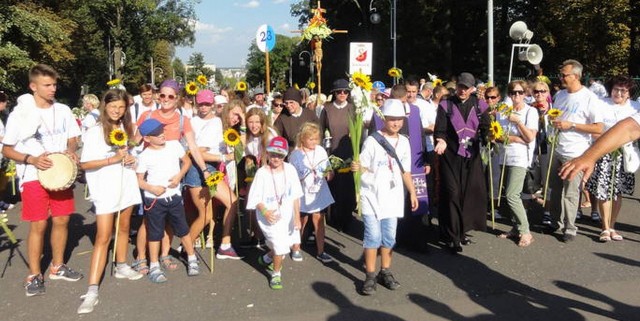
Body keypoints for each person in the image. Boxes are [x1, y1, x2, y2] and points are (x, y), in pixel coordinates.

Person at [2, 64, 83, 296]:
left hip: (61, 175)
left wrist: (70, 150)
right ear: (33, 86)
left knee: (62, 221)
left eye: (54, 84)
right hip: (33, 175)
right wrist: (32, 159)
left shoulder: (64, 110)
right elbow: (7, 150)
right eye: (47, 85)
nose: (52, 89)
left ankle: (57, 267)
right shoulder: (21, 115)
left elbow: (73, 138)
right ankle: (34, 274)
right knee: (38, 224)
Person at [133, 79, 213, 272]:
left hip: (172, 174)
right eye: (162, 95)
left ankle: (164, 254)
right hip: (152, 174)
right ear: (157, 96)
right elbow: (134, 141)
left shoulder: (181, 120)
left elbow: (192, 147)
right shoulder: (147, 114)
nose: (166, 99)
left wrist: (204, 170)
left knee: (169, 219)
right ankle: (142, 256)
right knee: (148, 220)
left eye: (170, 96)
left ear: (177, 99)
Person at [76, 89, 143, 314]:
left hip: (126, 183)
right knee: (103, 237)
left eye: (121, 107)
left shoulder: (125, 128)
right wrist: (112, 159)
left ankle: (121, 265)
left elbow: (128, 154)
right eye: (113, 106)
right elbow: (84, 164)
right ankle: (92, 290)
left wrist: (131, 158)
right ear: (105, 106)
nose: (117, 110)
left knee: (124, 227)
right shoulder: (95, 132)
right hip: (105, 188)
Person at [351, 99, 418, 295]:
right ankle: (370, 275)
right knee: (373, 237)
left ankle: (385, 271)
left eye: (399, 119)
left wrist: (412, 192)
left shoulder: (404, 142)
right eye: (391, 119)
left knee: (389, 238)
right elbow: (363, 166)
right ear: (384, 120)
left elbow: (405, 170)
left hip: (393, 197)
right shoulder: (373, 140)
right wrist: (358, 168)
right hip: (372, 195)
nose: (396, 123)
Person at [136, 118, 200, 283]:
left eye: (162, 131)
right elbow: (139, 180)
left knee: (182, 229)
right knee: (155, 232)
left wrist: (179, 176)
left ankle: (192, 258)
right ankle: (154, 265)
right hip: (155, 200)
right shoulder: (145, 155)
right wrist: (152, 188)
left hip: (174, 196)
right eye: (156, 134)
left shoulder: (174, 145)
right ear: (147, 138)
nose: (162, 135)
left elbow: (186, 161)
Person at [547, 60, 604, 243]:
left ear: (576, 76)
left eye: (565, 75)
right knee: (555, 190)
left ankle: (570, 227)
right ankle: (556, 223)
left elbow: (598, 128)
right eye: (561, 74)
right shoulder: (560, 95)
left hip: (576, 151)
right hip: (557, 147)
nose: (561, 77)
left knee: (571, 192)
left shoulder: (589, 98)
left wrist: (571, 124)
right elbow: (555, 115)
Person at [434, 72, 490, 253]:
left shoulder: (481, 106)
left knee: (467, 195)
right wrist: (440, 140)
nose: (462, 90)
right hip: (450, 157)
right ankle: (452, 237)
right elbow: (439, 130)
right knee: (452, 193)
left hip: (471, 158)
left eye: (466, 88)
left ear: (473, 89)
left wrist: (491, 136)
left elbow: (486, 128)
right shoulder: (446, 105)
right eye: (460, 86)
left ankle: (462, 230)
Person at [584, 76, 639, 242]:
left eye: (623, 91)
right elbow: (595, 128)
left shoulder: (636, 107)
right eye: (616, 89)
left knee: (618, 191)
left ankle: (613, 226)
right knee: (604, 190)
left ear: (629, 93)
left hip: (625, 153)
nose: (619, 93)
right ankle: (605, 227)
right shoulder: (601, 103)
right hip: (604, 152)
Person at [246, 136, 303, 290]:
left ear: (285, 155)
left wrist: (297, 217)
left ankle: (267, 257)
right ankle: (276, 273)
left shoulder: (290, 170)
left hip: (287, 213)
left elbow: (296, 195)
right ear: (268, 154)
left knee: (283, 244)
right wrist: (265, 211)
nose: (276, 158)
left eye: (280, 155)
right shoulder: (262, 173)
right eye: (273, 154)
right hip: (268, 215)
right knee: (280, 245)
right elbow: (255, 197)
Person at [495, 81, 538, 247]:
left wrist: (518, 122)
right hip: (504, 156)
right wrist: (513, 138)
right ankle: (516, 227)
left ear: (526, 94)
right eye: (513, 93)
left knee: (513, 195)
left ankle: (526, 231)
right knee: (508, 193)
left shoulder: (530, 111)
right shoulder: (503, 111)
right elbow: (497, 135)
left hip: (520, 158)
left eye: (520, 92)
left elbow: (530, 138)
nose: (516, 96)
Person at [288, 122, 335, 263]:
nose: (314, 142)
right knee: (301, 221)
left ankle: (321, 251)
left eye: (316, 139)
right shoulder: (296, 155)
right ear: (302, 138)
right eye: (311, 139)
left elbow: (328, 168)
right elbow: (291, 176)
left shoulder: (320, 150)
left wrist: (330, 173)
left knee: (319, 220)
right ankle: (296, 247)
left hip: (318, 191)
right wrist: (300, 178)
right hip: (302, 192)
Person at [319, 79, 355, 233]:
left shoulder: (353, 109)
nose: (342, 94)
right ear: (334, 93)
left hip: (348, 150)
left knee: (347, 187)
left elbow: (358, 131)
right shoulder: (326, 109)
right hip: (331, 151)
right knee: (333, 185)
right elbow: (320, 130)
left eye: (345, 91)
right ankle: (333, 217)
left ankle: (346, 218)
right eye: (339, 91)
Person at [274, 87, 319, 154]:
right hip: (291, 155)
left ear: (298, 102)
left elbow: (319, 134)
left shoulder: (310, 115)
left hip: (310, 153)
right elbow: (276, 138)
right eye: (286, 103)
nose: (288, 105)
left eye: (291, 102)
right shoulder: (282, 118)